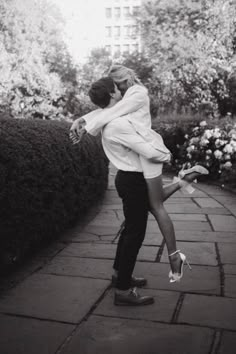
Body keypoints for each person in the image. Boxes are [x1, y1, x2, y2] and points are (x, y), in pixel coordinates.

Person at [70, 77, 207, 305]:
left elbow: (100, 114)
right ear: (113, 95)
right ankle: (123, 291)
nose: (121, 91)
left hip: (130, 179)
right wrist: (167, 155)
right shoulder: (117, 124)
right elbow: (149, 152)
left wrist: (82, 120)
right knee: (135, 234)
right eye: (117, 89)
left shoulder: (111, 118)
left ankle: (119, 275)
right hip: (132, 181)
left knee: (129, 230)